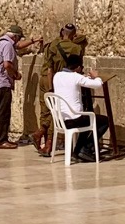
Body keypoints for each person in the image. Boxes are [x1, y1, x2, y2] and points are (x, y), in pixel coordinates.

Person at [36, 24, 87, 155]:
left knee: (45, 110)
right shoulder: (76, 47)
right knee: (57, 112)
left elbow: (48, 67)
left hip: (44, 78)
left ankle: (40, 133)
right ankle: (48, 145)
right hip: (58, 80)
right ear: (73, 34)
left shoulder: (52, 44)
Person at [0, 26, 42, 149]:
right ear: (15, 36)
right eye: (18, 38)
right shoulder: (8, 45)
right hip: (2, 83)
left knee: (0, 112)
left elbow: (18, 46)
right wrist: (16, 74)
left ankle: (1, 139)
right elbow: (7, 64)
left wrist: (33, 41)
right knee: (3, 113)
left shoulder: (2, 42)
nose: (18, 41)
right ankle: (1, 141)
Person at [51, 53, 107, 162]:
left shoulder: (57, 76)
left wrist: (83, 77)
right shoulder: (76, 77)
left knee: (86, 120)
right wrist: (96, 77)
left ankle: (78, 151)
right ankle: (85, 148)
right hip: (74, 119)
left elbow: (70, 83)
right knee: (104, 121)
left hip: (61, 119)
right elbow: (98, 84)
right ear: (77, 67)